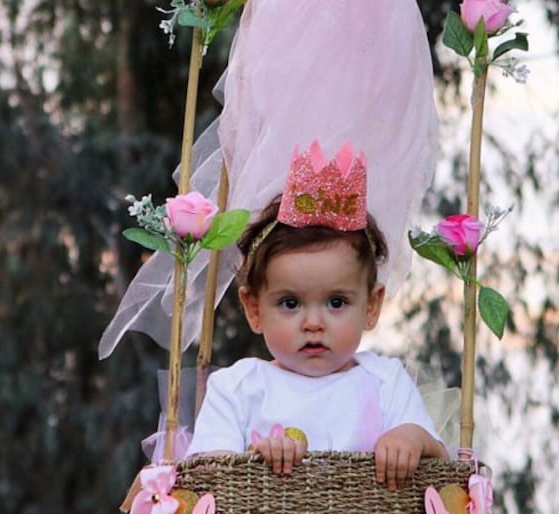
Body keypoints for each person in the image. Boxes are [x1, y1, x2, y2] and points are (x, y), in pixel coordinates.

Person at [186, 142, 448, 490]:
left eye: (336, 302)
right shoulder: (237, 388)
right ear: (254, 309)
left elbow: (439, 459)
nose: (313, 323)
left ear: (371, 306)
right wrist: (254, 459)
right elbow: (208, 477)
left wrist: (411, 437)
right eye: (290, 303)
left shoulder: (385, 381)